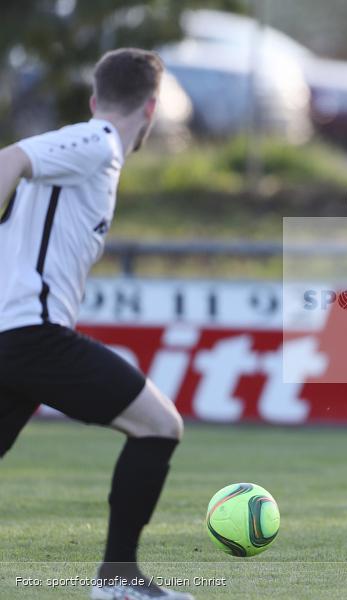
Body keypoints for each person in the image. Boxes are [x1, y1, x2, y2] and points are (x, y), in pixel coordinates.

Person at [0, 49, 194, 600]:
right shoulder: (98, 140)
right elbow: (6, 158)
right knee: (159, 425)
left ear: (94, 95)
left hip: (13, 342)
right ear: (152, 108)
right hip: (33, 337)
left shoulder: (82, 154)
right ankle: (119, 581)